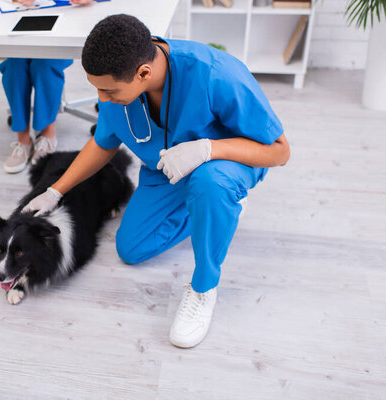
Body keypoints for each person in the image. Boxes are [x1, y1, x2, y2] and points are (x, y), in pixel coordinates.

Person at [23, 14, 290, 348]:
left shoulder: (216, 74)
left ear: (143, 74)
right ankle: (216, 209)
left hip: (227, 163)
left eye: (108, 91)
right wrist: (54, 191)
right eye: (96, 90)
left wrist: (207, 148)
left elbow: (279, 151)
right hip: (168, 171)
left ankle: (204, 287)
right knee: (131, 249)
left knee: (210, 184)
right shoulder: (118, 87)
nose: (102, 100)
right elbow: (103, 143)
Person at [0, 0, 94, 173]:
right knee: (14, 67)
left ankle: (47, 133)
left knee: (44, 65)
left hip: (64, 22)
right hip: (23, 21)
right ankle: (23, 139)